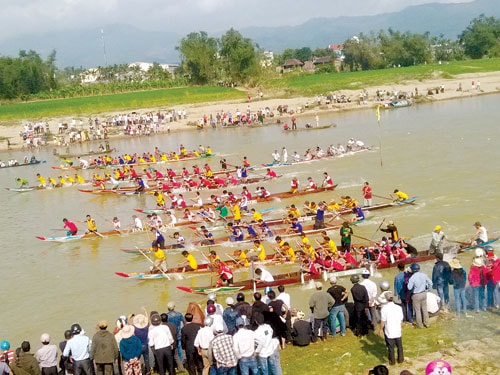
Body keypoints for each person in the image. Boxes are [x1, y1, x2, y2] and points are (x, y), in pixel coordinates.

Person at [378, 291, 404, 365]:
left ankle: (392, 361)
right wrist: (400, 327)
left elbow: (383, 321)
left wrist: (380, 329)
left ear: (386, 299)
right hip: (397, 329)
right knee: (399, 346)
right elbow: (401, 319)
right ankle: (401, 359)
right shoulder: (399, 307)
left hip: (389, 330)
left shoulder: (384, 309)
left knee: (391, 347)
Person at [407, 263, 432, 328]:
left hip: (416, 295)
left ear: (412, 270)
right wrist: (428, 290)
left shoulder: (412, 278)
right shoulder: (423, 275)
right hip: (423, 293)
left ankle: (420, 325)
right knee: (424, 309)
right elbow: (430, 283)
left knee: (417, 311)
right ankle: (427, 323)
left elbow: (409, 288)